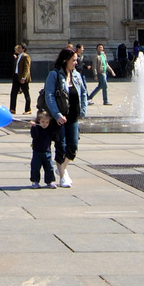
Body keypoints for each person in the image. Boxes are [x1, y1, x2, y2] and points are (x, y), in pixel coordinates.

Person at [42, 46, 85, 187]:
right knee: (61, 146)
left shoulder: (76, 75)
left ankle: (62, 168)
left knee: (73, 147)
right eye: (73, 60)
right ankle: (62, 176)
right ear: (66, 60)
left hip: (73, 117)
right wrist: (57, 114)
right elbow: (49, 96)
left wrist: (82, 112)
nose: (76, 63)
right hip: (59, 117)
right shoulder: (54, 75)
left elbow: (83, 93)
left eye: (76, 60)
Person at [28, 108, 56, 188]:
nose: (44, 124)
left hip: (47, 151)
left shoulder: (49, 129)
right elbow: (34, 136)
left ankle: (50, 181)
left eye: (47, 122)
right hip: (37, 151)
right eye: (43, 122)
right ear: (39, 121)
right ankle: (35, 181)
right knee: (35, 167)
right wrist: (33, 127)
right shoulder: (37, 128)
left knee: (49, 167)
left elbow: (55, 132)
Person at [9, 43, 32, 114]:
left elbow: (26, 68)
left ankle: (28, 109)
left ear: (23, 49)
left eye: (19, 48)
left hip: (22, 78)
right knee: (13, 93)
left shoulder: (26, 56)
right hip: (16, 76)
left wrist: (24, 77)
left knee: (26, 93)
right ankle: (12, 109)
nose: (18, 49)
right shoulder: (18, 56)